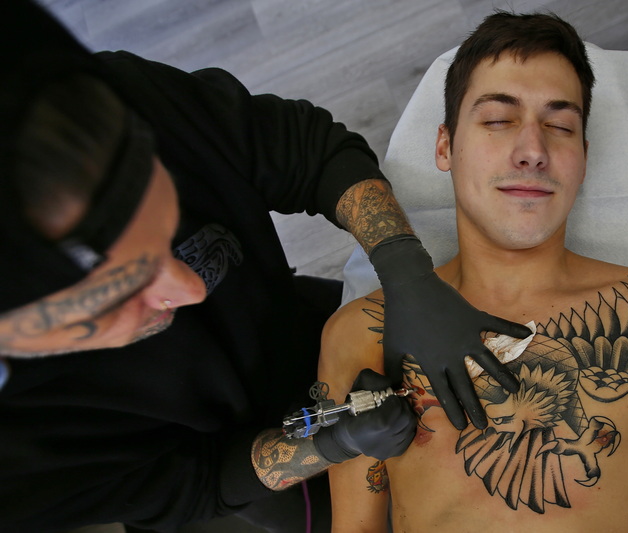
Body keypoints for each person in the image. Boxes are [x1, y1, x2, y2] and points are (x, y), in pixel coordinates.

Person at [0, 1, 533, 531]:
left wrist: (405, 270)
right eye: (117, 295)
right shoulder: (16, 471)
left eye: (170, 232)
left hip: (292, 325)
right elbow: (198, 482)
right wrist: (330, 443)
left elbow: (307, 150)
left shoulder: (105, 107)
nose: (191, 289)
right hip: (244, 472)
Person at [319, 11, 628, 533]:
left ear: (582, 157)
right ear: (445, 146)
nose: (534, 151)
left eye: (560, 126)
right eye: (499, 120)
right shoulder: (363, 334)